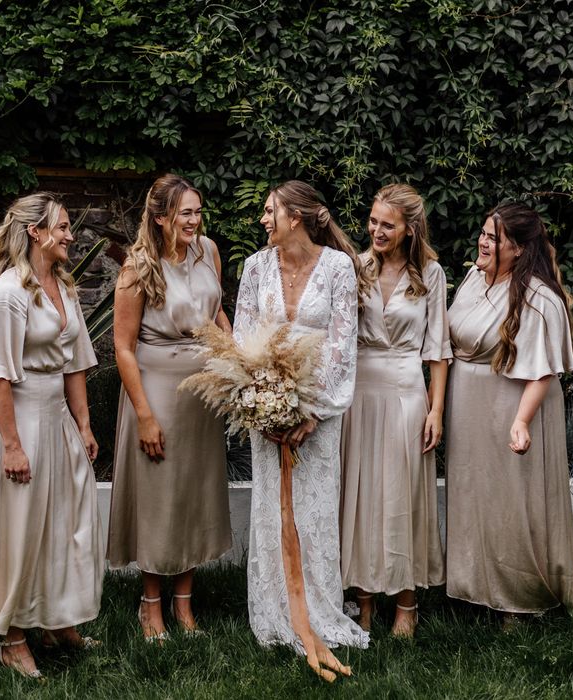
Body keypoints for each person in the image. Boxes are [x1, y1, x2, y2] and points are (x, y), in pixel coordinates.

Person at [0, 193, 103, 680]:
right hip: (20, 420)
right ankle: (12, 637)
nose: (72, 235)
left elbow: (75, 364)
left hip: (57, 420)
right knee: (20, 527)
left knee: (65, 522)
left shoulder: (63, 287)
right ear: (36, 232)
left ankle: (57, 621)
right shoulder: (7, 294)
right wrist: (11, 445)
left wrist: (84, 425)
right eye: (64, 227)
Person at [233, 180, 370, 660]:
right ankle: (273, 612)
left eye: (270, 211)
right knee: (272, 508)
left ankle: (318, 610)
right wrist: (260, 402)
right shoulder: (254, 267)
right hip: (267, 414)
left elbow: (341, 345)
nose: (263, 219)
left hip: (320, 413)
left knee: (313, 511)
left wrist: (312, 412)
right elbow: (242, 340)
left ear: (296, 216)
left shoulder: (338, 269)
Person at [445, 202, 573, 624]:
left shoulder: (540, 299)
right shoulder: (472, 278)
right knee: (474, 497)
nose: (483, 242)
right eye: (484, 233)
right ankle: (475, 589)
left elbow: (542, 371)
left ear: (520, 248)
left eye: (494, 237)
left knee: (512, 504)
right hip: (467, 407)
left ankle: (518, 601)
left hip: (513, 409)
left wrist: (521, 423)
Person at [106, 174, 232, 642]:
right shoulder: (139, 268)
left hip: (202, 393)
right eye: (186, 214)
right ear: (160, 218)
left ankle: (184, 605)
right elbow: (122, 347)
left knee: (192, 496)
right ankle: (150, 606)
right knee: (160, 498)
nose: (195, 222)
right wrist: (143, 414)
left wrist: (234, 352)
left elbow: (215, 309)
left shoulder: (209, 251)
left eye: (198, 212)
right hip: (156, 388)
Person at [339, 184, 451, 636]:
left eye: (387, 224)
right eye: (373, 221)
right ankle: (363, 599)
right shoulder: (355, 267)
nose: (376, 230)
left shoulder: (431, 273)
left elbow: (438, 349)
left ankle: (406, 602)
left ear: (409, 229)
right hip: (359, 394)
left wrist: (436, 410)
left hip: (407, 392)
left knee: (401, 495)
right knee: (362, 493)